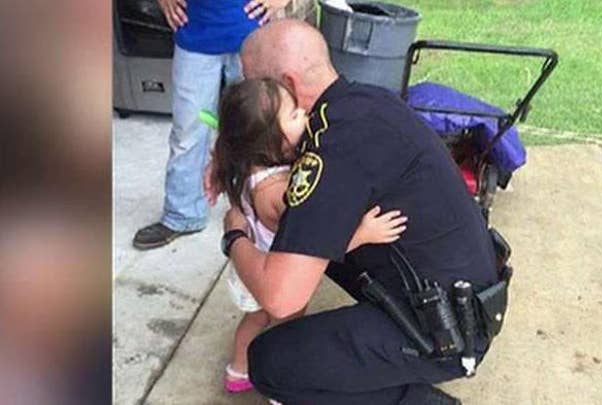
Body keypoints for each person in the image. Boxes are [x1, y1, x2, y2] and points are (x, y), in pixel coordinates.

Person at [215, 20, 501, 404]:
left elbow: (280, 297)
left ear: (288, 85)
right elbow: (262, 146)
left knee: (270, 362)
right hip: (463, 295)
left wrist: (234, 236)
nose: (250, 102)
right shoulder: (360, 103)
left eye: (255, 87)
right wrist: (227, 157)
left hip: (446, 330)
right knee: (306, 239)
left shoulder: (330, 152)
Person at [211, 78, 408, 393]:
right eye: (294, 115)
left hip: (257, 263)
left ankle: (239, 369)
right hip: (269, 271)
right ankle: (274, 374)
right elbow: (313, 239)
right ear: (270, 140)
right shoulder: (277, 191)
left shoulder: (248, 162)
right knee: (280, 322)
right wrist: (362, 234)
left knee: (257, 319)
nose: (305, 116)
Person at [132, 0, 291, 249]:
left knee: (262, 128)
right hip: (196, 37)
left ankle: (265, 214)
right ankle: (182, 215)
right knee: (188, 133)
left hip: (254, 38)